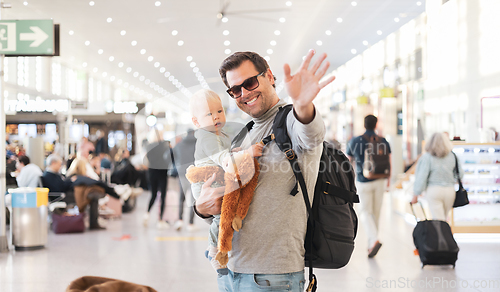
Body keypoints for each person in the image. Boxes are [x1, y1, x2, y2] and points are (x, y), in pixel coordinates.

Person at [194, 50, 334, 291]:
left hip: (272, 276)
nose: (244, 93)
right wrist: (202, 209)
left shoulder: (290, 121)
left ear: (269, 76)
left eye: (250, 82)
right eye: (235, 90)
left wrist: (303, 103)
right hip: (231, 270)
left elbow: (311, 133)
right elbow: (228, 200)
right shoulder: (243, 134)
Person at [188, 89, 264, 276]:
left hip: (214, 177)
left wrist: (236, 151)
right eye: (209, 114)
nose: (216, 117)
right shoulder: (207, 137)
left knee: (227, 210)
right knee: (221, 216)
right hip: (207, 180)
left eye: (219, 111)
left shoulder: (219, 135)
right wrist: (247, 153)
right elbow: (225, 160)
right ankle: (214, 250)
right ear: (196, 122)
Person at [346, 114, 391, 258]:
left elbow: (347, 161)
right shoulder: (383, 141)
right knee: (376, 212)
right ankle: (372, 242)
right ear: (376, 125)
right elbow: (389, 162)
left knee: (365, 212)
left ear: (364, 124)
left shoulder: (355, 140)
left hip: (363, 180)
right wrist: (388, 179)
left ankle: (373, 240)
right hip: (380, 180)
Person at [411, 132, 464, 220]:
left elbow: (421, 178)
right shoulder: (452, 156)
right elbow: (460, 174)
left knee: (438, 220)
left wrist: (416, 194)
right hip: (450, 191)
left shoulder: (427, 157)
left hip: (434, 190)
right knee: (444, 218)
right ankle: (445, 233)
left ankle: (441, 234)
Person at [144, 131, 175, 229]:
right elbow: (171, 159)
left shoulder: (149, 146)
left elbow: (147, 159)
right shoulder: (165, 146)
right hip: (162, 173)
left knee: (153, 195)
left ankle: (147, 214)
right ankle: (160, 220)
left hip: (152, 173)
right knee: (163, 196)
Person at [172, 129, 197, 231]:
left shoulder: (179, 144)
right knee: (193, 199)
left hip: (182, 173)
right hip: (194, 174)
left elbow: (172, 156)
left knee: (181, 198)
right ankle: (190, 224)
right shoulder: (197, 144)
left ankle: (180, 220)